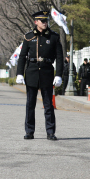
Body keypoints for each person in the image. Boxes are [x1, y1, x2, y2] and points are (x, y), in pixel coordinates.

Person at [16, 10, 63, 141]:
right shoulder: (29, 36)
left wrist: (58, 75)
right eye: (42, 21)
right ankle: (29, 131)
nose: (45, 23)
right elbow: (22, 57)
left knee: (48, 105)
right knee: (30, 105)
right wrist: (19, 73)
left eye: (46, 20)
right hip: (31, 72)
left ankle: (50, 132)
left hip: (47, 73)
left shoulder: (54, 37)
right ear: (35, 22)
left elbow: (59, 57)